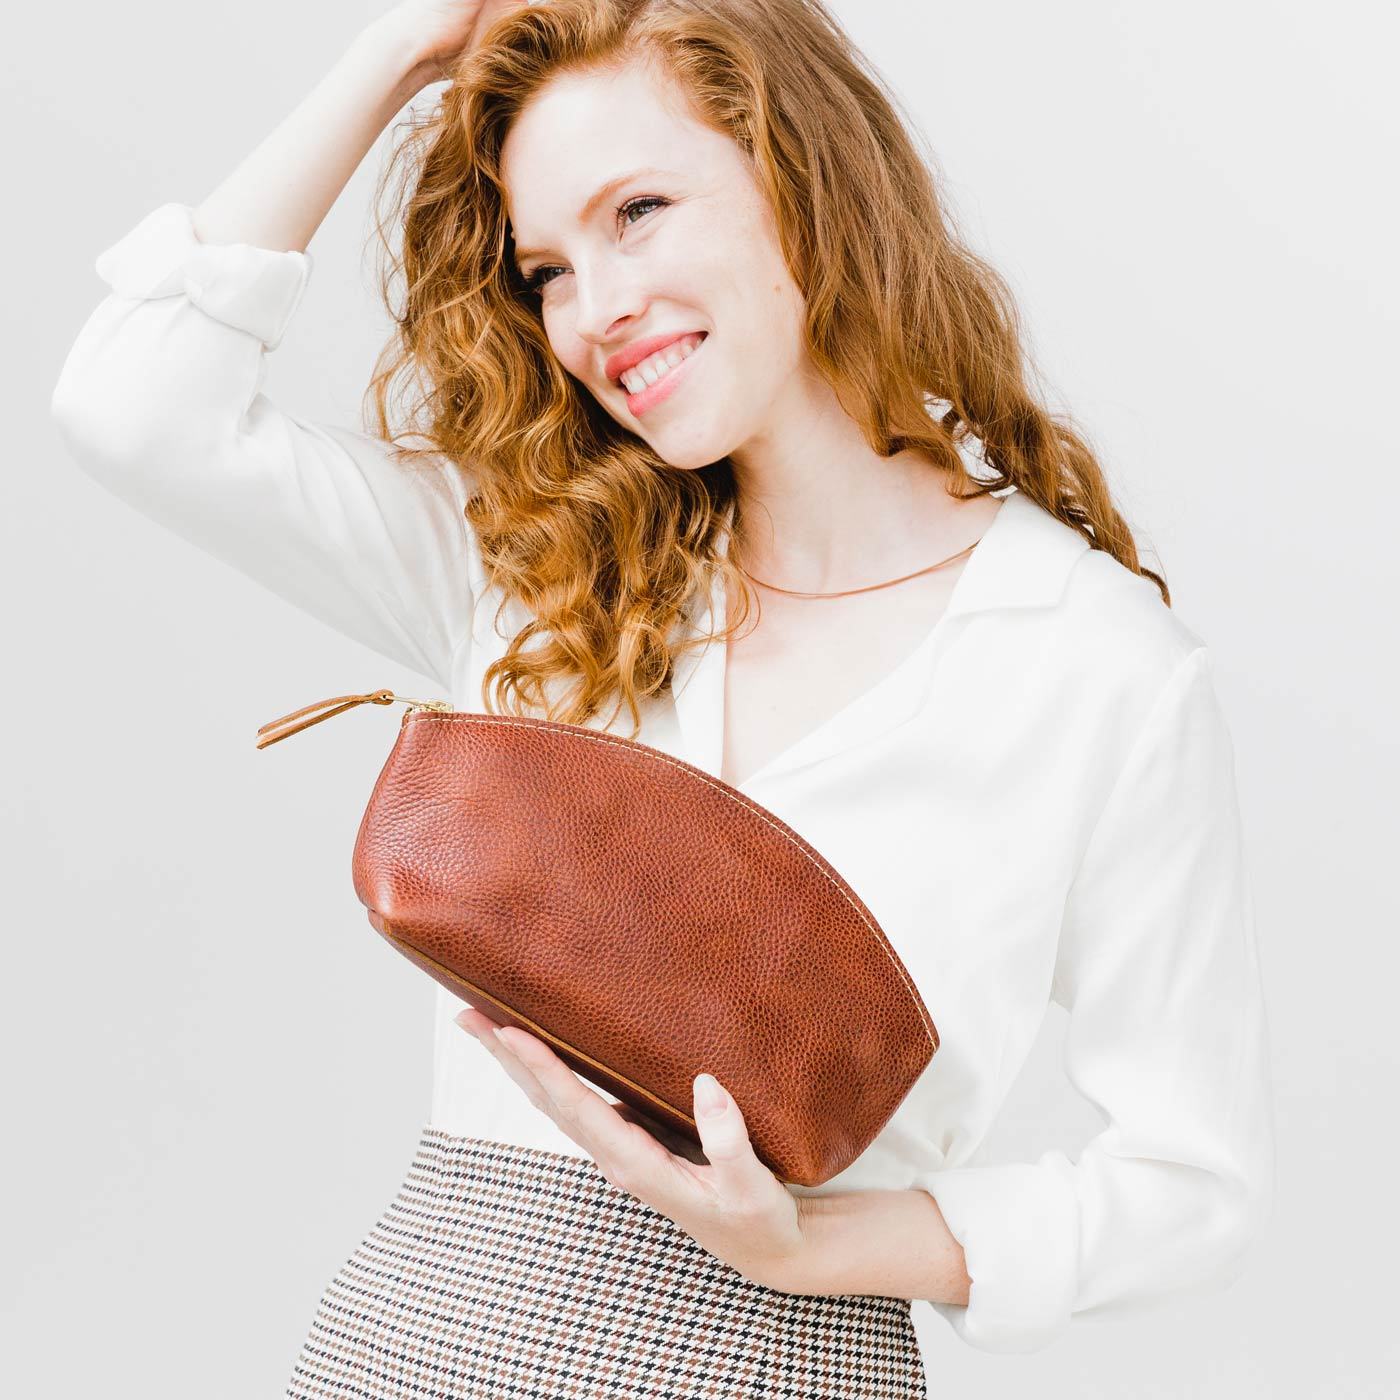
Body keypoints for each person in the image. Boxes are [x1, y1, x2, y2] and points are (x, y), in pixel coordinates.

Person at [49, 0, 1276, 1391]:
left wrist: (823, 1246)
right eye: (548, 270)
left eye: (638, 212)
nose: (597, 311)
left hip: (774, 1360)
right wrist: (396, 54)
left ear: (806, 175)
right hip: (411, 1346)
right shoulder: (534, 561)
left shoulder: (1093, 665)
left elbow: (1192, 1185)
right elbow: (136, 406)